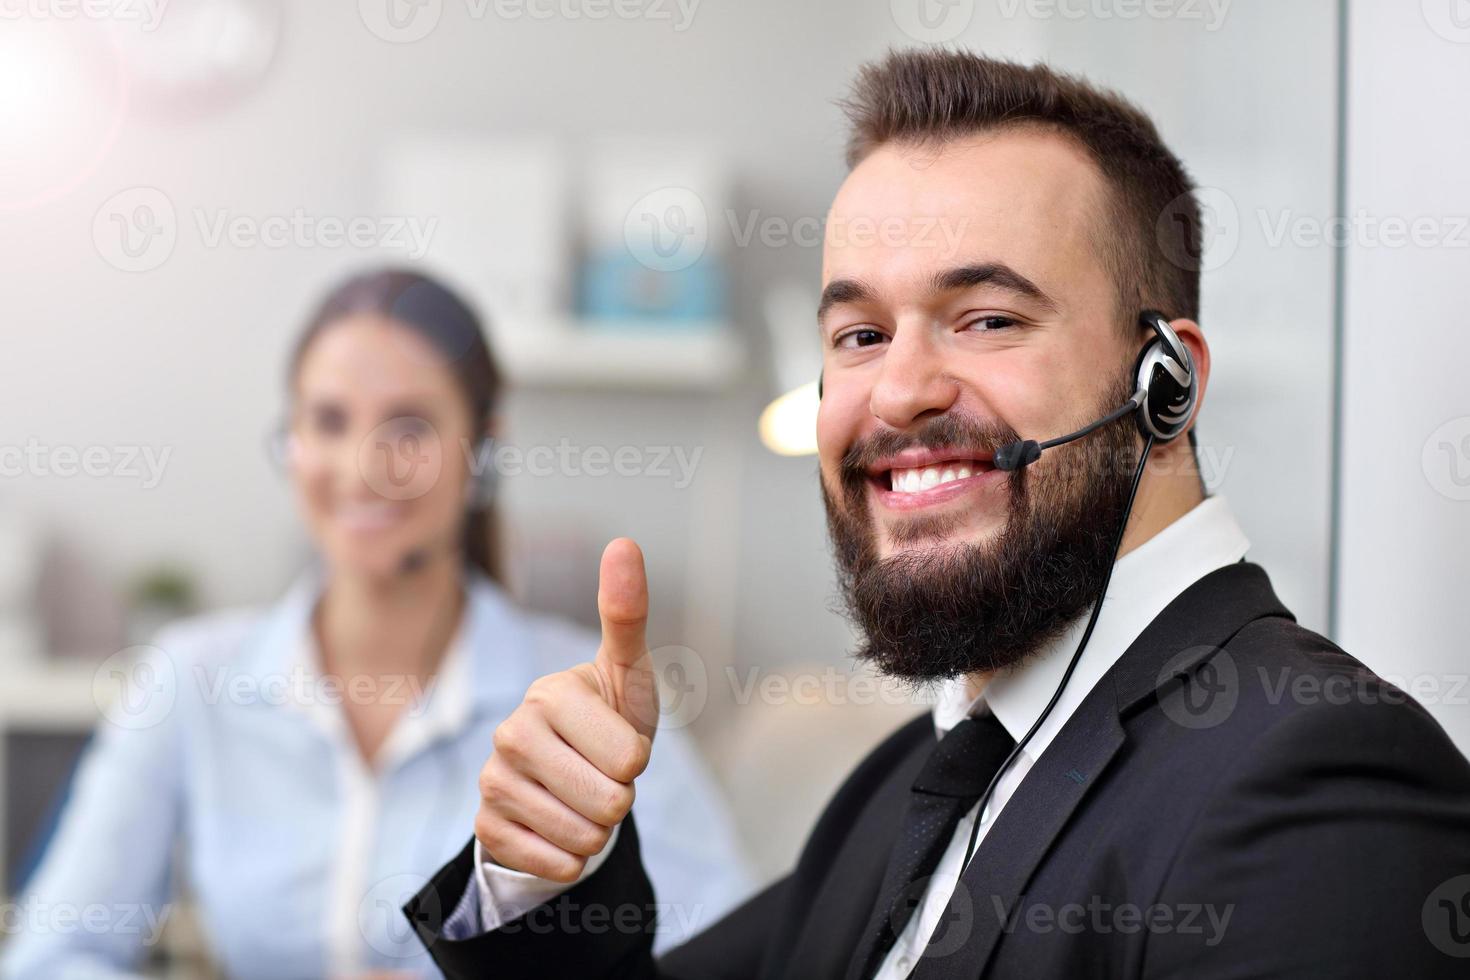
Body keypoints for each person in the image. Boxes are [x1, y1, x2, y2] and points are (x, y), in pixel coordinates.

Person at [403, 51, 1470, 979]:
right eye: (859, 335)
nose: (899, 390)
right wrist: (538, 873)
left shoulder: (1319, 781)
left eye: (987, 317)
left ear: (1168, 384)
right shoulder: (913, 776)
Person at [2, 269, 751, 979]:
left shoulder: (584, 702)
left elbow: (732, 955)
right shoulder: (191, 679)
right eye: (328, 420)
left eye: (410, 426)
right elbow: (47, 958)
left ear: (481, 451)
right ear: (291, 443)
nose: (364, 465)